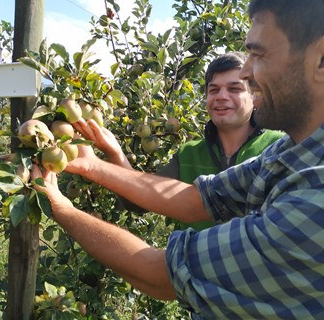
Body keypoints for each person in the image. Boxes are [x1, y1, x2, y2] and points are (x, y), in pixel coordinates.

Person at [31, 0, 324, 318]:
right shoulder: (289, 152)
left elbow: (159, 274)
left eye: (260, 54)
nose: (247, 71)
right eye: (214, 89)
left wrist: (60, 207)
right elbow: (193, 198)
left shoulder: (314, 197)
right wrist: (93, 164)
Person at [73, 52, 284, 231]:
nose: (221, 96)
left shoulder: (277, 148)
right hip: (192, 274)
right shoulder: (188, 154)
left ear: (255, 97)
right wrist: (115, 154)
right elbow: (139, 201)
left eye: (234, 89)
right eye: (213, 90)